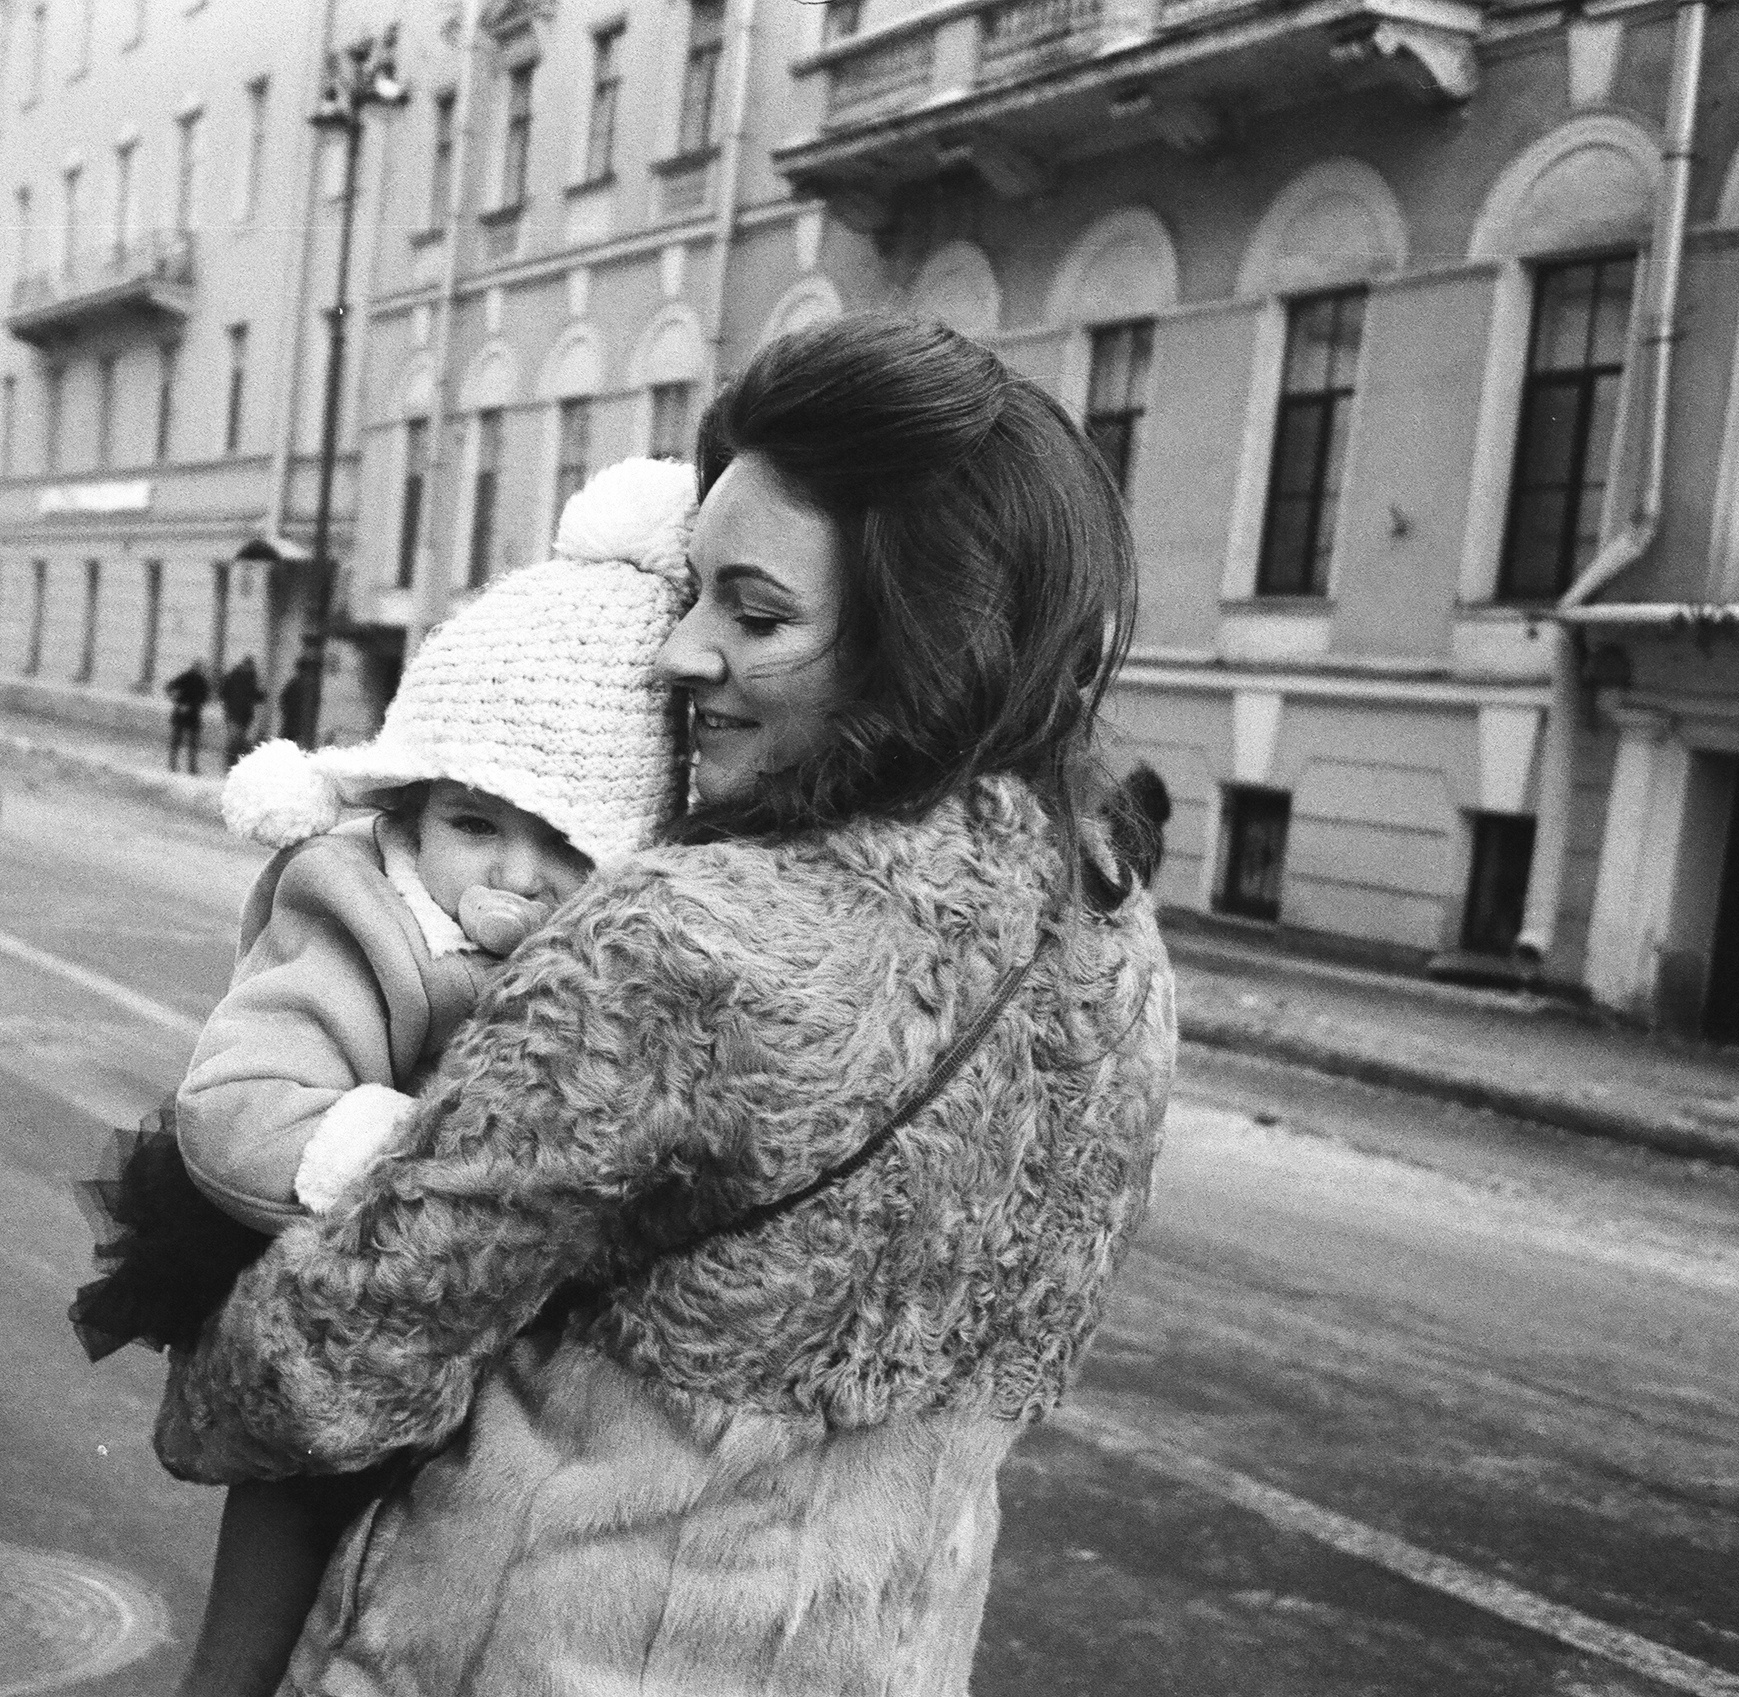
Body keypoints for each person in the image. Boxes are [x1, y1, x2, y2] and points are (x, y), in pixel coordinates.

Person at [148, 314, 1178, 1695]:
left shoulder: (682, 939)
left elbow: (346, 1347)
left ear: (929, 643)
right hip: (879, 1648)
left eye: (752, 614)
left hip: (534, 1645)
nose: (675, 654)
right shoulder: (1116, 945)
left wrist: (208, 1362)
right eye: (691, 594)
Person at [74, 459, 698, 1697]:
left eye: (567, 845)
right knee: (289, 1526)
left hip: (488, 1350)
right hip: (329, 1291)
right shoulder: (359, 915)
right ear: (407, 813)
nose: (513, 875)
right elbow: (243, 1099)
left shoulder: (617, 956)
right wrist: (407, 1153)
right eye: (476, 822)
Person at [216, 657, 265, 768]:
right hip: (236, 714)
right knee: (235, 740)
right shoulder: (238, 678)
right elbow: (223, 693)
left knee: (238, 740)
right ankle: (231, 764)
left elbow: (256, 696)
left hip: (241, 715)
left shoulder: (248, 678)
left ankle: (233, 763)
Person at [166, 660, 212, 774]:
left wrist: (177, 702)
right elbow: (206, 697)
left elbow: (170, 687)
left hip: (187, 713)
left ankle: (176, 765)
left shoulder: (195, 679)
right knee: (188, 741)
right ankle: (187, 767)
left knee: (181, 740)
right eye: (200, 668)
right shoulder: (194, 679)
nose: (201, 670)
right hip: (190, 714)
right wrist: (179, 702)